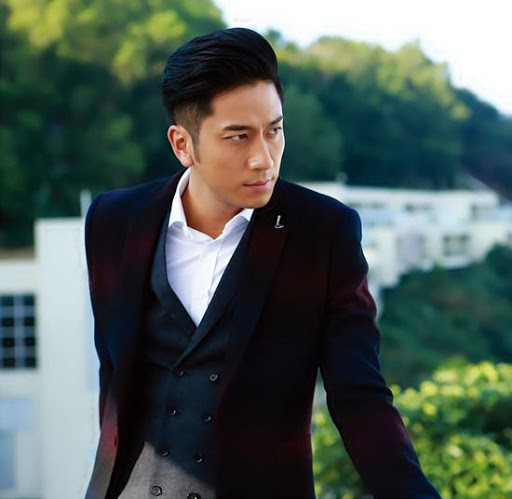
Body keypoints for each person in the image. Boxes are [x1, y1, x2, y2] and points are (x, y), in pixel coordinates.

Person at [84, 27, 440, 499]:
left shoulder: (324, 232)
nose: (264, 159)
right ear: (182, 144)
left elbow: (360, 395)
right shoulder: (113, 221)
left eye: (274, 131)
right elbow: (114, 373)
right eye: (239, 137)